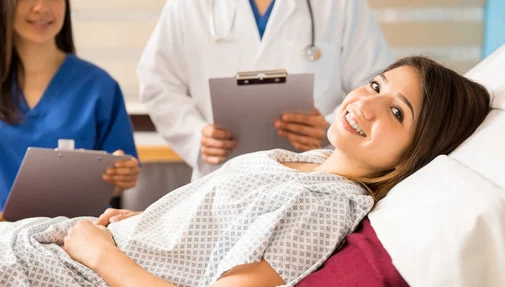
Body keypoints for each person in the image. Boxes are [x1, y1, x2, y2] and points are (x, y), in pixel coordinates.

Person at [0, 56, 491, 287]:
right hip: (75, 249)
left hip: (81, 286)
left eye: (397, 112)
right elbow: (216, 229)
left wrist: (100, 252)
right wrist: (151, 219)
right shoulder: (308, 162)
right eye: (376, 84)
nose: (366, 103)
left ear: (416, 153)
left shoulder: (326, 204)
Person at [137, 0, 393, 180]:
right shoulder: (187, 5)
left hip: (314, 174)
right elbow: (158, 82)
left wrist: (331, 128)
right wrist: (196, 136)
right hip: (222, 178)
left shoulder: (341, 4)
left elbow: (377, 85)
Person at [0, 0, 141, 225]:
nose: (42, 7)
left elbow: (117, 178)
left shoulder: (99, 86)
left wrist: (123, 175)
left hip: (84, 240)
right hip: (2, 238)